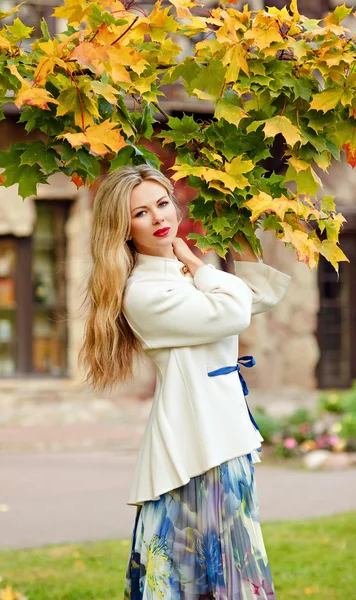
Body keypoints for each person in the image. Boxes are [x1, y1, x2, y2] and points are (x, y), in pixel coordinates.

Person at [79, 164, 291, 599]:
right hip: (197, 446)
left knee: (222, 569)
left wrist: (231, 240)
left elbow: (260, 296)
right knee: (202, 574)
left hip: (220, 435)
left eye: (162, 204)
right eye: (141, 213)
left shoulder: (175, 275)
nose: (159, 218)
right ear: (122, 227)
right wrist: (198, 262)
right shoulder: (144, 291)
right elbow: (234, 311)